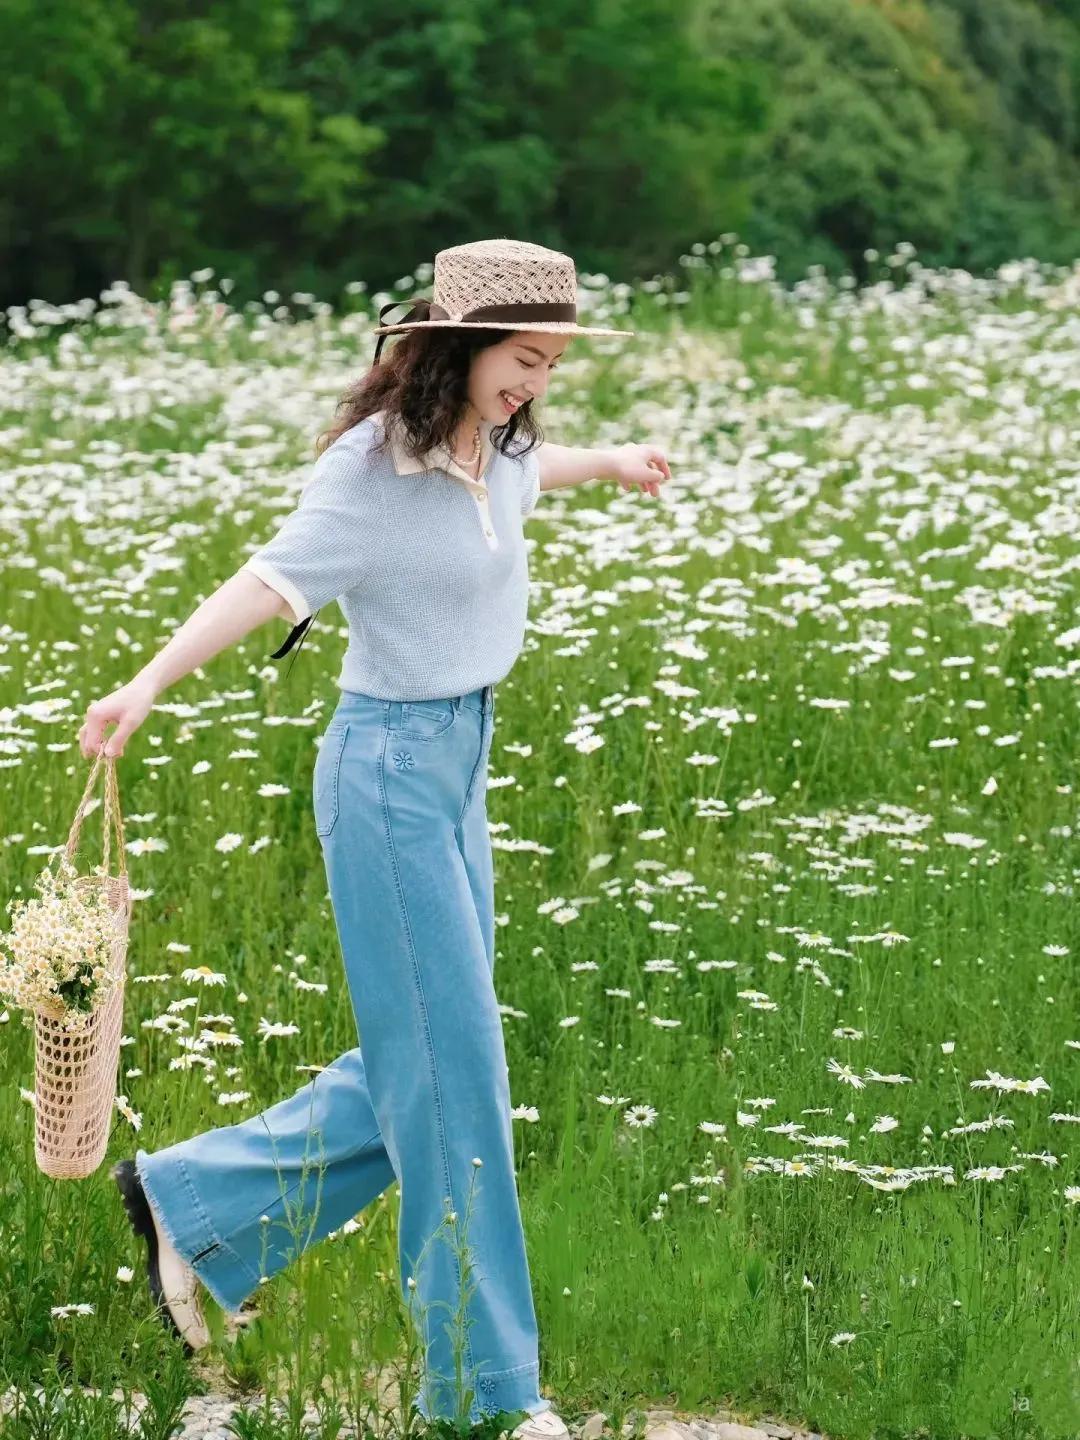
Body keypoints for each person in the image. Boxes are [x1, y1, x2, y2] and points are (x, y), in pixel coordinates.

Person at [82, 237, 672, 1433]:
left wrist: (612, 464)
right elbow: (266, 581)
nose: (539, 384)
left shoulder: (498, 442)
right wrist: (144, 685)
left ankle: (192, 1203)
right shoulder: (369, 469)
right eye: (524, 359)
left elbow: (528, 473)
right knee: (454, 1080)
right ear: (458, 347)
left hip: (461, 765)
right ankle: (487, 1397)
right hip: (388, 773)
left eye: (554, 362)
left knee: (430, 1058)